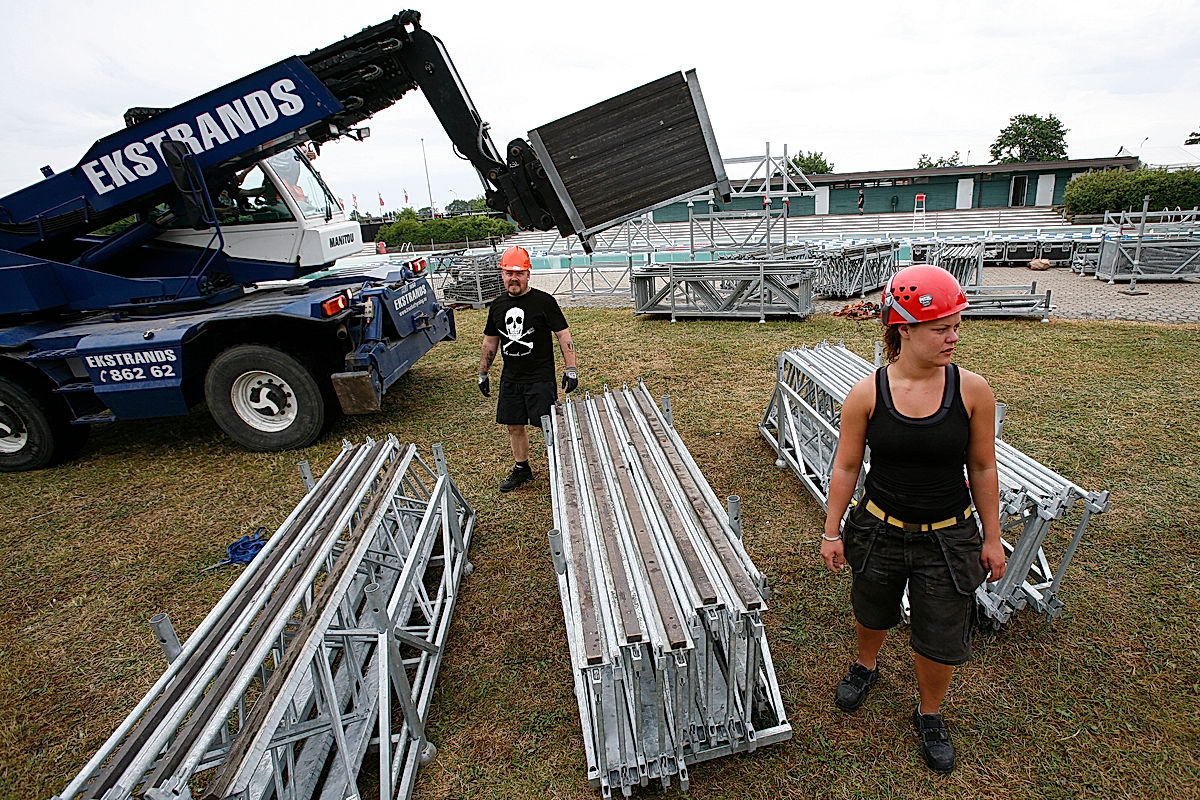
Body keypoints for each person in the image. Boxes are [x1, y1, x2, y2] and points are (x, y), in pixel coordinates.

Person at [819, 264, 1007, 774]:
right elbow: (847, 464)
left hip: (948, 536)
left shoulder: (972, 391)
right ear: (904, 329)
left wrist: (993, 538)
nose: (954, 336)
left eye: (956, 325)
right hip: (879, 526)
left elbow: (984, 466)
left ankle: (929, 713)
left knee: (941, 629)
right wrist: (832, 529)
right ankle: (866, 665)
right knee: (872, 605)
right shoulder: (866, 394)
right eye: (941, 327)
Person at [478, 245, 577, 492]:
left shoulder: (544, 301)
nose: (514, 278)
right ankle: (522, 469)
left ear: (528, 274)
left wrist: (571, 368)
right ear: (502, 274)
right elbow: (491, 341)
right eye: (509, 273)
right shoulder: (498, 305)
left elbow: (563, 335)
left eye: (519, 273)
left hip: (540, 378)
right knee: (514, 425)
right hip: (511, 378)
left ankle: (560, 467)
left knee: (548, 425)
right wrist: (483, 372)